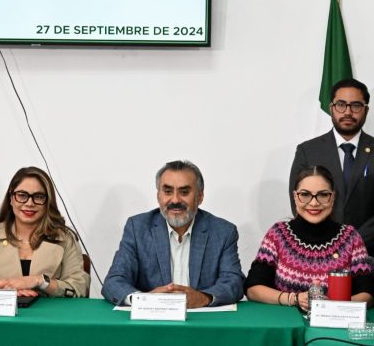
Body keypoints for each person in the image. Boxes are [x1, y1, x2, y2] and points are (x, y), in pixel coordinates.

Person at [101, 160, 244, 308]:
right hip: (153, 323)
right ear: (158, 196)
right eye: (168, 192)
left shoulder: (223, 232)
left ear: (200, 197)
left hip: (202, 323)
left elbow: (234, 282)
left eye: (184, 192)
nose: (175, 200)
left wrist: (203, 298)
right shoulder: (138, 228)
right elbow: (114, 281)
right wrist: (144, 300)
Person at [246, 165, 373, 309]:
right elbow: (253, 289)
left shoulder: (351, 237)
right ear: (295, 196)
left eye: (323, 195)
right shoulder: (278, 234)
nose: (314, 203)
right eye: (305, 194)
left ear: (333, 197)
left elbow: (368, 294)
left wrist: (332, 306)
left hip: (335, 327)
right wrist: (294, 298)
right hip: (286, 325)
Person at [0, 166, 90, 297]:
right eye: (22, 195)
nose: (29, 203)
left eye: (38, 197)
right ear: (11, 198)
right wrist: (2, 284)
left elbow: (79, 288)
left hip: (50, 315)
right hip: (0, 315)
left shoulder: (65, 239)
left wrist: (39, 281)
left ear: (47, 202)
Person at [289, 79, 374, 255]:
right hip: (319, 252)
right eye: (341, 104)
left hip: (369, 253)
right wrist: (328, 241)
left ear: (366, 110)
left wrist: (353, 242)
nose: (348, 112)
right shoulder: (308, 151)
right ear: (331, 108)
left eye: (356, 105)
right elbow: (300, 201)